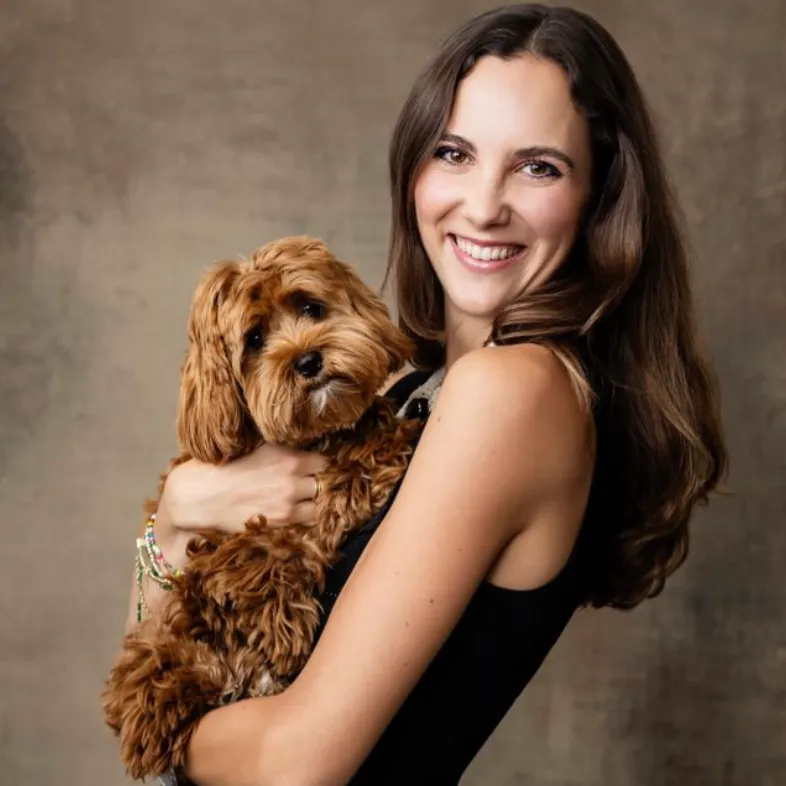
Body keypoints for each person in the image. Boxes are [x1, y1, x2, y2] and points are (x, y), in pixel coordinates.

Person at [127, 4, 727, 784]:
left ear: (598, 197)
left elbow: (292, 765)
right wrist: (175, 519)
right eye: (455, 153)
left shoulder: (514, 391)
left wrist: (166, 729)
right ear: (414, 166)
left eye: (538, 166)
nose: (483, 206)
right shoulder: (416, 389)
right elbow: (159, 651)